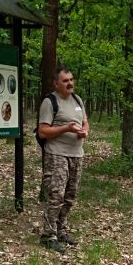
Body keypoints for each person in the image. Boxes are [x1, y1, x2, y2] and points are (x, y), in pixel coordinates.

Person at [38, 66, 89, 254]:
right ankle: (48, 235)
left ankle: (61, 229)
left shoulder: (77, 100)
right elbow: (43, 131)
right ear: (56, 83)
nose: (70, 83)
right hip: (57, 154)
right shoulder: (50, 102)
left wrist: (85, 130)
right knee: (56, 195)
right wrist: (66, 128)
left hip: (77, 154)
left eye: (71, 80)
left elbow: (84, 120)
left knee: (70, 196)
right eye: (65, 80)